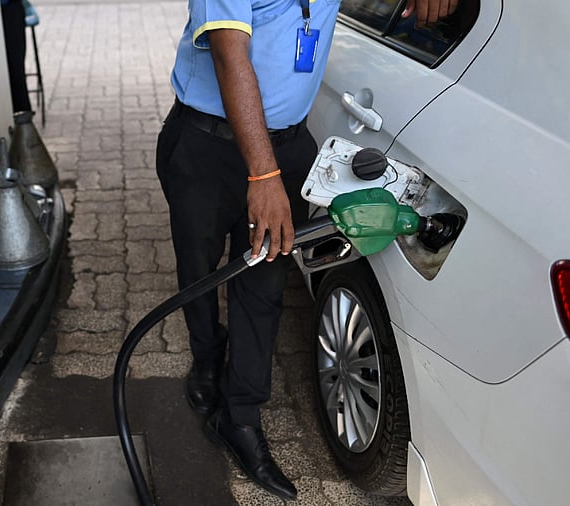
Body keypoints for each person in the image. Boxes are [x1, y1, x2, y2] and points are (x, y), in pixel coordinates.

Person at [155, 0, 458, 500]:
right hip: (205, 147)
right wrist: (263, 174)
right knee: (198, 270)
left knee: (265, 287)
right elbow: (231, 56)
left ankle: (242, 417)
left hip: (287, 147)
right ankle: (206, 358)